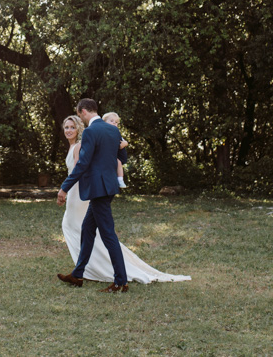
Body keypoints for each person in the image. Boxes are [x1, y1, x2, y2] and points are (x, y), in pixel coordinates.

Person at [58, 106, 192, 287]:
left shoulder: (91, 131)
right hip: (108, 187)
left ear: (83, 111)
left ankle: (120, 281)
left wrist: (64, 187)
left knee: (108, 235)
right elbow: (122, 157)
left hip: (98, 190)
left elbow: (82, 164)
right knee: (88, 230)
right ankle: (78, 274)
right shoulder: (113, 129)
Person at [102, 112, 127, 188]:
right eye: (111, 121)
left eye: (116, 122)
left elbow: (125, 142)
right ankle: (119, 180)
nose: (114, 123)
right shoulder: (103, 132)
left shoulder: (116, 133)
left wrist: (124, 144)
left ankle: (120, 179)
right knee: (118, 162)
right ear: (104, 122)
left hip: (118, 155)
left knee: (118, 162)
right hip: (109, 156)